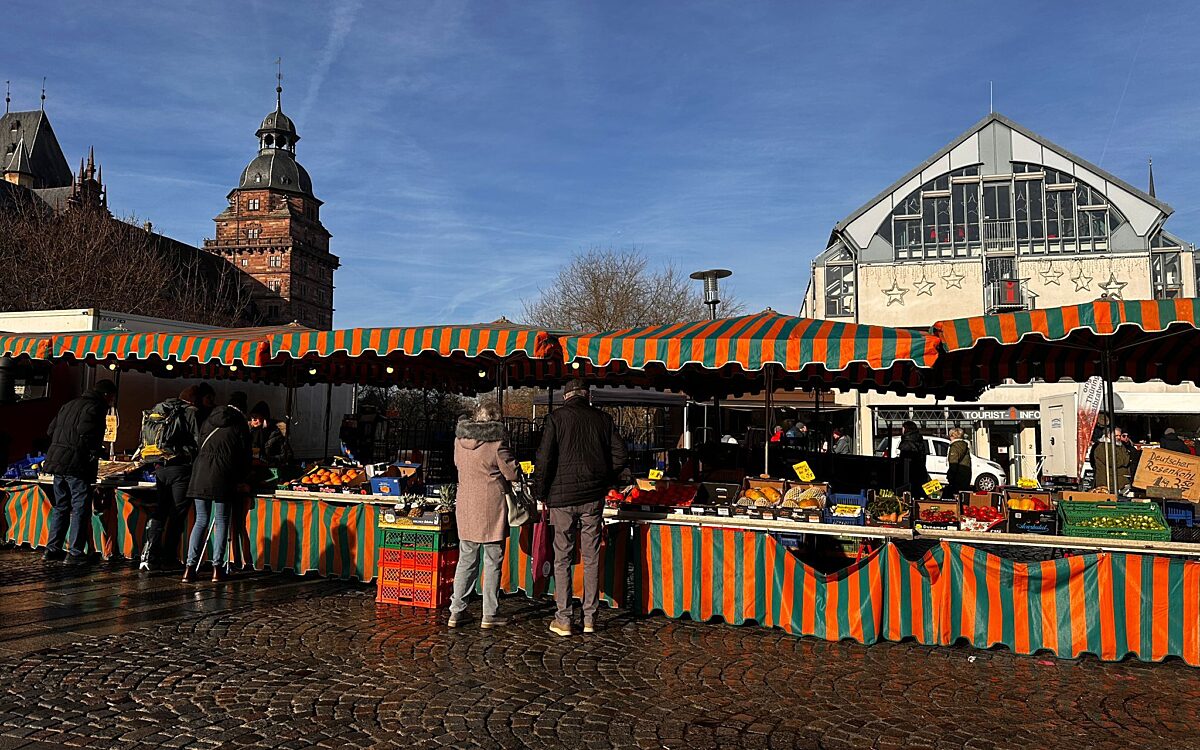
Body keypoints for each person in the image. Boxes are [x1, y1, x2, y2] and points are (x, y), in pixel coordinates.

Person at [535, 379, 627, 637]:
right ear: (587, 396)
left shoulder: (555, 418)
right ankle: (590, 618)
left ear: (566, 397)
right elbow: (621, 455)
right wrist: (605, 478)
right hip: (592, 497)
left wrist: (541, 492)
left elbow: (543, 459)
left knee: (562, 558)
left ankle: (564, 618)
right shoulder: (603, 419)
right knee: (591, 556)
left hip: (561, 499)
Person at [448, 402, 519, 629]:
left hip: (466, 504)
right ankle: (490, 613)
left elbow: (458, 465)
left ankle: (456, 610)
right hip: (491, 507)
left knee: (466, 560)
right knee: (492, 560)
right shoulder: (497, 443)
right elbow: (512, 473)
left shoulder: (460, 442)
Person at [42, 380, 117, 564]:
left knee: (61, 506)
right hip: (76, 465)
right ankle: (75, 552)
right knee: (79, 508)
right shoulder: (96, 407)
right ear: (106, 395)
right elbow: (87, 432)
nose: (112, 402)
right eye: (112, 398)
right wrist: (97, 451)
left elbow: (50, 430)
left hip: (57, 462)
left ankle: (52, 549)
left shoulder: (68, 404)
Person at [139, 383, 209, 571]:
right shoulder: (192, 412)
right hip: (181, 469)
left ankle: (148, 554)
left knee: (160, 510)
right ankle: (168, 556)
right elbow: (198, 442)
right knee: (177, 514)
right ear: (195, 399)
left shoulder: (161, 408)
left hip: (160, 467)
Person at [183, 391, 251, 583]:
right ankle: (217, 568)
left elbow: (199, 445)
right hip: (223, 475)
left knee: (201, 520)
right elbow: (245, 456)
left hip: (200, 474)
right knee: (221, 520)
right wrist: (242, 478)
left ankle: (189, 569)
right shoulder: (240, 423)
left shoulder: (209, 419)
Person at [248, 401, 291, 468]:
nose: (254, 419)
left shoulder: (276, 433)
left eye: (256, 416)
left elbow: (287, 455)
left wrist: (268, 460)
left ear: (265, 417)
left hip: (271, 469)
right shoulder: (250, 432)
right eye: (252, 417)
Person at [1091, 427, 1131, 492]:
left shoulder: (1120, 446)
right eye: (1116, 435)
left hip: (1121, 482)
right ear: (1109, 435)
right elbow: (1113, 462)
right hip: (1109, 482)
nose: (1118, 437)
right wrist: (1125, 460)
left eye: (1119, 435)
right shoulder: (1103, 447)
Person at [898, 421, 930, 499]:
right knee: (918, 494)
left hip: (909, 474)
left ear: (906, 429)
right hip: (920, 471)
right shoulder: (919, 440)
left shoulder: (907, 442)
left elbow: (905, 460)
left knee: (908, 495)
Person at [945, 428, 972, 497]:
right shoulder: (964, 445)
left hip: (957, 476)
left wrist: (950, 476)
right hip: (965, 474)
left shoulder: (955, 446)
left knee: (955, 496)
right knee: (962, 495)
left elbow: (953, 463)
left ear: (952, 436)